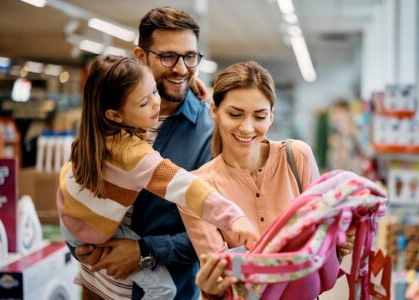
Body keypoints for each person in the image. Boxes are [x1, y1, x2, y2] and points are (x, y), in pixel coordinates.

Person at [58, 55, 258, 299]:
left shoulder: (93, 134)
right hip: (94, 240)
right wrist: (233, 217)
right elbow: (187, 187)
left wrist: (189, 83)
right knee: (164, 289)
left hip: (71, 218)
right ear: (115, 114)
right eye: (144, 102)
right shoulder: (132, 155)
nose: (157, 102)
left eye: (154, 90)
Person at [73, 7, 220, 300]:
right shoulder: (109, 113)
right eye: (168, 56)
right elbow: (79, 184)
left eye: (190, 56)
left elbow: (218, 233)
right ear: (141, 57)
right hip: (96, 287)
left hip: (164, 291)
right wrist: (77, 242)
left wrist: (145, 251)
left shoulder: (209, 132)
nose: (181, 69)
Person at [177, 61, 355, 299]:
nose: (247, 127)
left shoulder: (297, 157)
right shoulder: (198, 189)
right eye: (234, 114)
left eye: (259, 116)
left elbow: (320, 256)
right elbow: (222, 281)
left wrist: (338, 243)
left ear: (271, 115)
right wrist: (211, 290)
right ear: (214, 110)